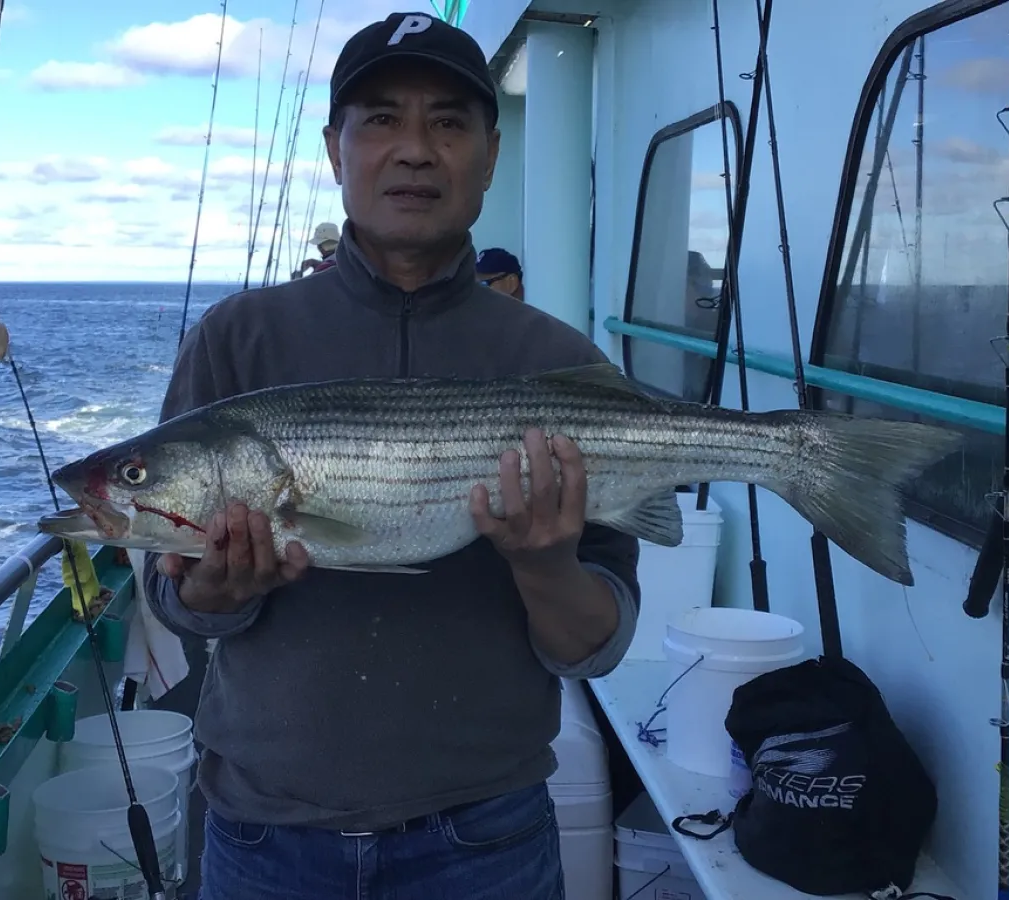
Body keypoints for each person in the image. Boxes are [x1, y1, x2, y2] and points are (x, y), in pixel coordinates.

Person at [145, 11, 639, 900]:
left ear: (489, 156)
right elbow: (171, 595)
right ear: (336, 149)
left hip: (486, 837)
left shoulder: (560, 360)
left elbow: (594, 648)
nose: (415, 149)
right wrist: (206, 593)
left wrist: (546, 564)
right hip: (265, 834)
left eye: (449, 121)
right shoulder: (235, 342)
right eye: (380, 119)